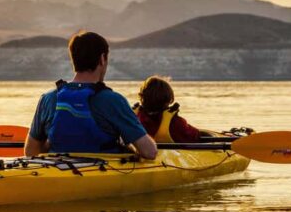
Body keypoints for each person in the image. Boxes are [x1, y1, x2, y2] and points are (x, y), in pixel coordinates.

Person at [24, 31, 157, 159]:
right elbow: (149, 152)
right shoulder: (113, 101)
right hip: (103, 172)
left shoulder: (48, 99)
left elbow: (31, 152)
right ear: (102, 59)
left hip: (56, 170)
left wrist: (51, 145)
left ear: (73, 59)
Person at [133, 75, 202, 143]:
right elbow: (195, 136)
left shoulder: (132, 120)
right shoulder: (176, 123)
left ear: (142, 98)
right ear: (168, 100)